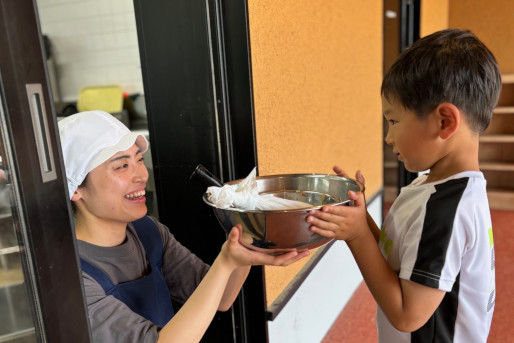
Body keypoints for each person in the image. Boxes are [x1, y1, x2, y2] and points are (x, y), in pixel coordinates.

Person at [308, 29, 499, 342]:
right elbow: (403, 255)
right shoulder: (436, 187)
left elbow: (407, 315)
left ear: (445, 122)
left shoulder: (446, 210)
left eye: (394, 121)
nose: (388, 137)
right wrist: (361, 219)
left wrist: (356, 236)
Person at [58, 110, 309, 342]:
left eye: (139, 159)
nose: (141, 175)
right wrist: (226, 261)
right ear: (77, 189)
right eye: (122, 166)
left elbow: (220, 297)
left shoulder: (148, 233)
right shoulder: (71, 277)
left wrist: (246, 236)